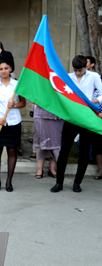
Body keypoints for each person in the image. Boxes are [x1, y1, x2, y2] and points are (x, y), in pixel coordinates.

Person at [51, 55, 102, 193]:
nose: (78, 73)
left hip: (86, 118)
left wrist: (92, 102)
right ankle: (59, 182)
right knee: (64, 151)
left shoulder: (94, 76)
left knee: (84, 152)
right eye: (76, 70)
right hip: (71, 118)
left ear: (86, 66)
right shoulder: (68, 77)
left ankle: (77, 182)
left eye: (80, 70)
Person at [0, 60, 26, 192]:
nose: (3, 71)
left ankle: (9, 181)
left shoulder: (17, 85)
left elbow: (23, 103)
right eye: (1, 69)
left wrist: (14, 105)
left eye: (6, 68)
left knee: (12, 151)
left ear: (10, 69)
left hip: (14, 121)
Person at [33, 105, 63, 179]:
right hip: (41, 113)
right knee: (41, 142)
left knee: (55, 141)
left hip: (58, 113)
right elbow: (34, 99)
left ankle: (52, 169)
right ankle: (39, 169)